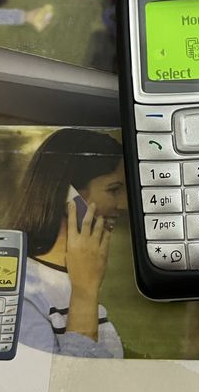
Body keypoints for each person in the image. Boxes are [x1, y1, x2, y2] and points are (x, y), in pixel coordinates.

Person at [7, 129, 126, 357]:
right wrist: (84, 292)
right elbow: (68, 378)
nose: (122, 205)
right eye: (113, 190)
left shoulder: (74, 278)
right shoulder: (23, 293)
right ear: (69, 196)